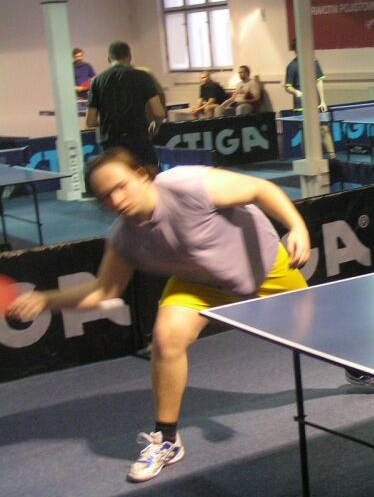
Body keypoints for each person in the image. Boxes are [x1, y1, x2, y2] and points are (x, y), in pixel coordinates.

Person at [8, 147, 311, 483]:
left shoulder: (186, 184)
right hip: (200, 284)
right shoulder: (124, 238)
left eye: (121, 186)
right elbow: (104, 291)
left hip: (266, 267)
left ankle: (355, 368)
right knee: (167, 339)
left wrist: (297, 227)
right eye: (105, 196)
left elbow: (260, 189)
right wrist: (45, 300)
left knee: (317, 333)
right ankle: (167, 439)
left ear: (141, 175)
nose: (116, 200)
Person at [86, 41, 166, 167]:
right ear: (129, 57)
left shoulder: (97, 81)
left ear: (109, 59)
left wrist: (109, 120)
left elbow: (90, 121)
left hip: (110, 144)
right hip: (138, 140)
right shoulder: (143, 76)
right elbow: (159, 112)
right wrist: (156, 125)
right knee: (149, 175)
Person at [284, 39, 335, 158]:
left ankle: (333, 157)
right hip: (301, 105)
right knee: (306, 134)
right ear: (296, 50)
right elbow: (288, 86)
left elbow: (319, 81)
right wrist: (296, 91)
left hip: (316, 103)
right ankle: (308, 159)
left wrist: (322, 101)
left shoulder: (314, 62)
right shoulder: (291, 66)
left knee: (324, 129)